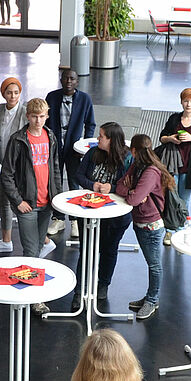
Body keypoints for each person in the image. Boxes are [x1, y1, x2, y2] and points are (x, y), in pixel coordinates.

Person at [0, 97, 61, 314]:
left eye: (41, 116)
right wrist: (18, 201)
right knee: (30, 249)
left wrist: (57, 196)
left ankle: (28, 290)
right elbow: (6, 175)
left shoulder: (50, 136)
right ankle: (33, 298)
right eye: (34, 116)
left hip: (47, 203)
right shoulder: (18, 140)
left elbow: (55, 168)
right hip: (28, 204)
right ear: (28, 116)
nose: (38, 121)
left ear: (47, 116)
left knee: (37, 248)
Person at [115, 134, 174, 322]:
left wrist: (131, 191)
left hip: (151, 226)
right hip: (140, 222)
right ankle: (150, 297)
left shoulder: (150, 172)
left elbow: (131, 199)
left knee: (154, 265)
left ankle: (152, 300)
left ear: (134, 150)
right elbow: (119, 186)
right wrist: (132, 190)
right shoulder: (137, 166)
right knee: (152, 264)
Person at [75, 122, 133, 309]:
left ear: (111, 140)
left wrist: (112, 188)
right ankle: (79, 290)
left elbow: (131, 186)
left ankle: (103, 284)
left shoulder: (127, 158)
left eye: (101, 136)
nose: (98, 139)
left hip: (116, 216)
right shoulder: (93, 153)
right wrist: (93, 185)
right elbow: (79, 175)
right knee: (86, 250)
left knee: (109, 250)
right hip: (89, 212)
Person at [46, 68, 96, 238]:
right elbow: (45, 121)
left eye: (72, 79)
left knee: (74, 183)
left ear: (77, 81)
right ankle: (58, 218)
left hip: (74, 149)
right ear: (61, 79)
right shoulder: (52, 97)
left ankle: (74, 220)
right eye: (66, 78)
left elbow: (91, 124)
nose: (69, 81)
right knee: (55, 183)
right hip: (55, 147)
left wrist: (84, 146)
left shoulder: (84, 99)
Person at [156, 88, 191, 231]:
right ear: (181, 102)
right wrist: (171, 138)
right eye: (186, 101)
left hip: (189, 168)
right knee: (171, 198)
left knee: (183, 200)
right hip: (172, 167)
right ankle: (169, 229)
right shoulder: (174, 119)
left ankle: (180, 228)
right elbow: (162, 137)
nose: (188, 104)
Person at [0, 76, 26, 254]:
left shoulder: (25, 112)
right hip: (1, 161)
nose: (13, 96)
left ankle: (43, 239)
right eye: (9, 93)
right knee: (2, 201)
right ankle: (6, 240)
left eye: (16, 93)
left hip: (17, 165)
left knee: (17, 203)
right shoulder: (0, 109)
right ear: (3, 94)